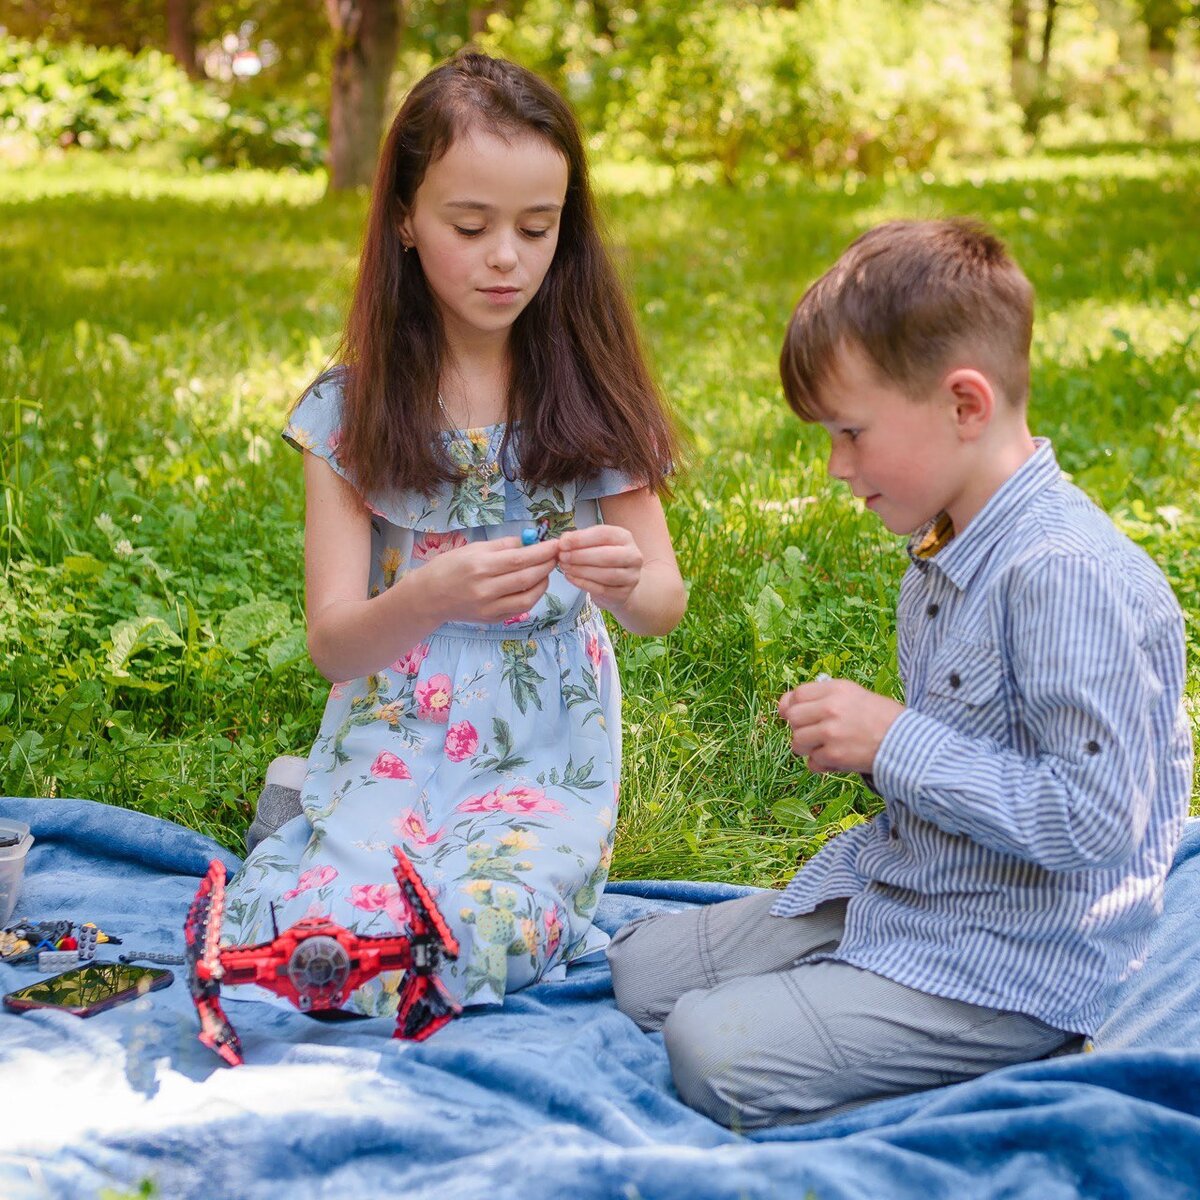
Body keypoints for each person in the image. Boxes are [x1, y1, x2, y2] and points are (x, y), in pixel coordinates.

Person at [607, 219, 1192, 1128]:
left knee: (707, 1048)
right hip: (914, 886)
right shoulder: (951, 540)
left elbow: (1096, 821)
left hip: (1011, 959)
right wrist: (878, 748)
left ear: (966, 404)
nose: (838, 468)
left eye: (851, 432)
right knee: (639, 972)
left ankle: (994, 1049)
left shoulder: (1063, 576)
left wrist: (893, 740)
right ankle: (844, 984)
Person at [224, 50, 685, 1014]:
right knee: (311, 928)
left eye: (536, 227)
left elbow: (661, 609)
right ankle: (313, 821)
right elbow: (332, 641)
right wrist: (429, 594)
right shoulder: (350, 414)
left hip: (541, 749)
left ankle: (314, 822)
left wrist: (623, 577)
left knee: (476, 929)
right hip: (392, 729)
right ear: (403, 218)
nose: (506, 257)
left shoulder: (593, 397)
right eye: (469, 226)